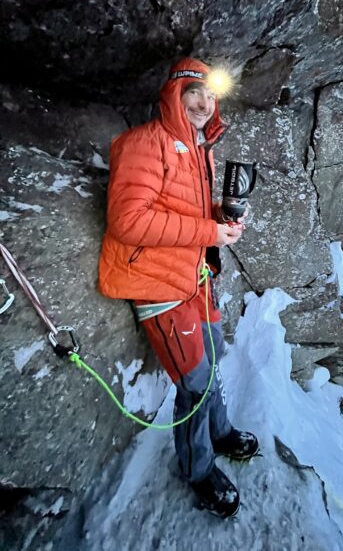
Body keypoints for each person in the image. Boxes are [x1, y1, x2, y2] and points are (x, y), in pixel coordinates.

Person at [98, 57, 259, 518]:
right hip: (159, 285)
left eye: (211, 96)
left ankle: (221, 431)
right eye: (195, 93)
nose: (205, 104)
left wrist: (221, 217)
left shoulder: (198, 150)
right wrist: (210, 234)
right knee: (196, 381)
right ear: (174, 95)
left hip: (194, 277)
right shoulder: (143, 144)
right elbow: (128, 221)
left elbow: (182, 208)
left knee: (215, 358)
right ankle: (198, 469)